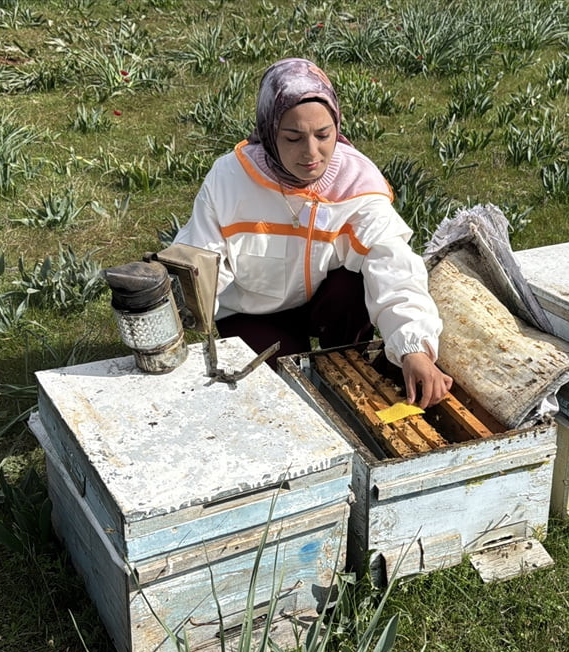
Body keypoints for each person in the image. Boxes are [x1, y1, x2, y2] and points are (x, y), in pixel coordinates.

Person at [173, 57, 453, 408]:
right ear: (269, 131)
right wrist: (176, 311)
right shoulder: (230, 179)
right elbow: (202, 260)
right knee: (284, 397)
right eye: (293, 138)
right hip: (253, 309)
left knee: (352, 285)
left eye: (323, 135)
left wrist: (414, 347)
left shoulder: (356, 181)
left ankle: (349, 362)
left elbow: (392, 263)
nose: (311, 153)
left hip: (322, 300)